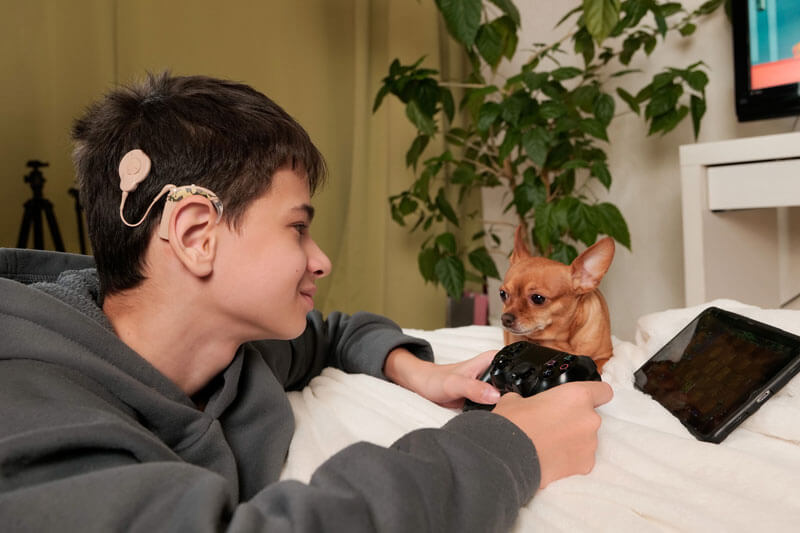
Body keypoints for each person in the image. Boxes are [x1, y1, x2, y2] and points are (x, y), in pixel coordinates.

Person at [0, 73, 612, 532]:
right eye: (297, 228)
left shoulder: (230, 348)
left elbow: (334, 333)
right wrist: (509, 449)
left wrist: (419, 371)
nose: (320, 259)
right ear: (194, 235)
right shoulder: (30, 409)